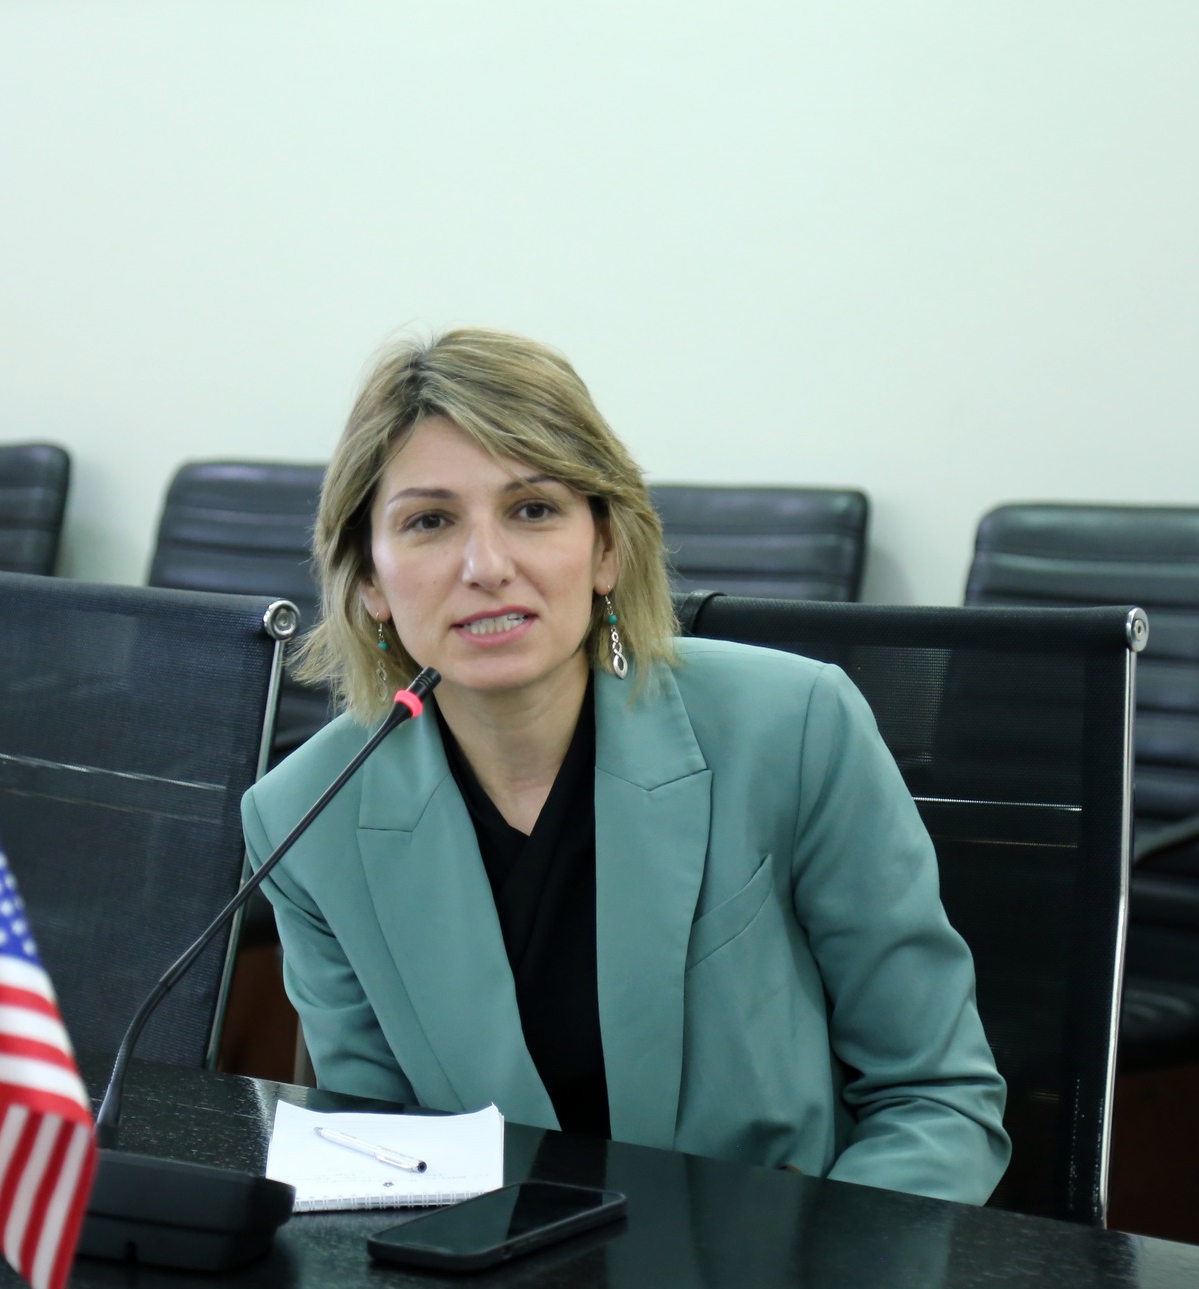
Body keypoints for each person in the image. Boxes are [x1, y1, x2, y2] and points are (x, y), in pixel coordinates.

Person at [240, 329, 1009, 1202]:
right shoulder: (306, 816)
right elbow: (376, 1156)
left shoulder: (793, 726)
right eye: (429, 521)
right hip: (492, 1274)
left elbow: (937, 1097)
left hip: (773, 1269)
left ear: (606, 548)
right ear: (370, 580)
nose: (486, 566)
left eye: (533, 509)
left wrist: (821, 1279)